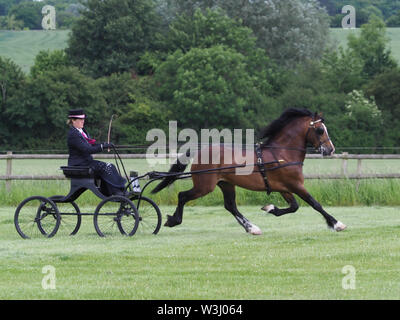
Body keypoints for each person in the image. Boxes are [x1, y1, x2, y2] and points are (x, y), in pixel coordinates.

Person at [66, 109, 127, 196]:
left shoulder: (82, 132)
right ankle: (116, 192)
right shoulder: (73, 134)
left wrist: (105, 144)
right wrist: (102, 147)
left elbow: (92, 144)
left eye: (83, 119)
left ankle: (120, 190)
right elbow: (87, 149)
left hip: (87, 162)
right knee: (106, 167)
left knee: (110, 166)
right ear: (73, 120)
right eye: (80, 119)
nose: (83, 121)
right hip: (79, 164)